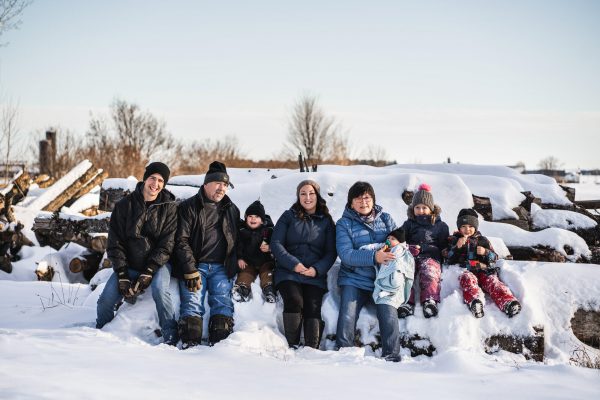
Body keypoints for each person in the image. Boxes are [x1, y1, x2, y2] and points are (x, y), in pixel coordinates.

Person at [96, 162, 178, 345]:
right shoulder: (124, 206)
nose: (155, 184)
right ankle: (100, 335)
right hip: (129, 264)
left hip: (158, 265)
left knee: (159, 290)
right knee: (105, 301)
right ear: (145, 179)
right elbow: (115, 243)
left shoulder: (169, 207)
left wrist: (149, 271)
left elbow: (167, 244)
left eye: (160, 181)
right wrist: (123, 274)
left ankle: (170, 334)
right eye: (152, 178)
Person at [174, 161, 240, 348]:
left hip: (221, 267)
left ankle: (220, 348)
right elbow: (181, 240)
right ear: (206, 184)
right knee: (193, 303)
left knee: (222, 303)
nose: (222, 188)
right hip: (196, 266)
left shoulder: (231, 209)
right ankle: (190, 345)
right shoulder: (189, 207)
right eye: (218, 183)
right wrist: (190, 269)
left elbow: (240, 236)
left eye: (225, 185)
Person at [336, 181, 401, 362]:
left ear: (373, 199)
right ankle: (344, 354)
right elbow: (346, 254)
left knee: (389, 314)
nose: (363, 202)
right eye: (358, 198)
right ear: (351, 203)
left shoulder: (386, 219)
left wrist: (395, 246)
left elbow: (399, 245)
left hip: (382, 279)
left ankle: (392, 356)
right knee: (347, 314)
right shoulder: (344, 224)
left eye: (367, 197)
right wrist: (375, 257)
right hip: (354, 278)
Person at [270, 180, 336, 349]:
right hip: (288, 272)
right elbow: (276, 243)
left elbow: (331, 252)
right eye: (303, 194)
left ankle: (311, 349)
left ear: (317, 195)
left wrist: (317, 269)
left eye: (311, 193)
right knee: (294, 300)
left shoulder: (327, 221)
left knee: (313, 305)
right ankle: (292, 345)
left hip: (314, 274)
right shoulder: (288, 216)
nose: (307, 197)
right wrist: (294, 264)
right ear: (298, 196)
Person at [446, 208, 522, 318]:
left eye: (471, 226)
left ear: (476, 227)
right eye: (463, 226)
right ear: (459, 228)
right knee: (468, 280)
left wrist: (485, 252)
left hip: (483, 270)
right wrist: (456, 247)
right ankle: (475, 302)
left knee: (493, 282)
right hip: (466, 270)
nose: (467, 229)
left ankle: (507, 302)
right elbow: (448, 258)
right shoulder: (454, 240)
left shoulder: (483, 240)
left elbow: (494, 257)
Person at [399, 183, 449, 319]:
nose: (421, 210)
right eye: (417, 207)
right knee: (404, 273)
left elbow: (442, 247)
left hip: (430, 256)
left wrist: (426, 249)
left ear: (431, 209)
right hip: (411, 255)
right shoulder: (409, 224)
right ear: (413, 209)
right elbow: (400, 237)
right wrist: (405, 245)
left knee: (430, 273)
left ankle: (429, 301)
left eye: (424, 207)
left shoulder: (440, 226)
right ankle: (406, 302)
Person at [359, 228, 417, 309]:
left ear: (399, 242)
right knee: (385, 279)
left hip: (396, 269)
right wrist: (365, 248)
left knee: (396, 280)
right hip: (386, 268)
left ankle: (390, 291)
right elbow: (374, 246)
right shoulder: (385, 246)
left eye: (393, 239)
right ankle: (387, 291)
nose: (389, 240)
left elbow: (407, 253)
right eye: (388, 238)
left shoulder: (399, 248)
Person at [232, 200, 276, 303]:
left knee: (267, 272)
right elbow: (238, 245)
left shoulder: (268, 230)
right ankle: (242, 289)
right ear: (246, 218)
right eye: (250, 216)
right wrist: (240, 258)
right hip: (248, 261)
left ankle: (269, 289)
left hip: (265, 261)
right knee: (245, 272)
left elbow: (277, 243)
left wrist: (270, 248)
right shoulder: (242, 231)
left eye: (256, 217)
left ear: (262, 220)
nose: (253, 219)